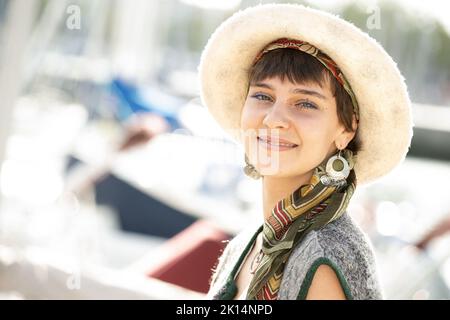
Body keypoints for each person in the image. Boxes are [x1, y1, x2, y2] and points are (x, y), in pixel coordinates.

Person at [198, 4, 413, 300]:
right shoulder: (247, 244)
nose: (273, 119)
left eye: (306, 104)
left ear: (346, 129)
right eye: (262, 96)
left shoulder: (325, 256)